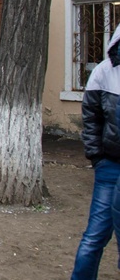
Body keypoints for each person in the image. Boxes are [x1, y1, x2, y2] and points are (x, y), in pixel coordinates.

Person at [71, 25, 120, 279]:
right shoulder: (105, 72)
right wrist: (97, 157)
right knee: (95, 236)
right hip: (110, 166)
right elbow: (91, 118)